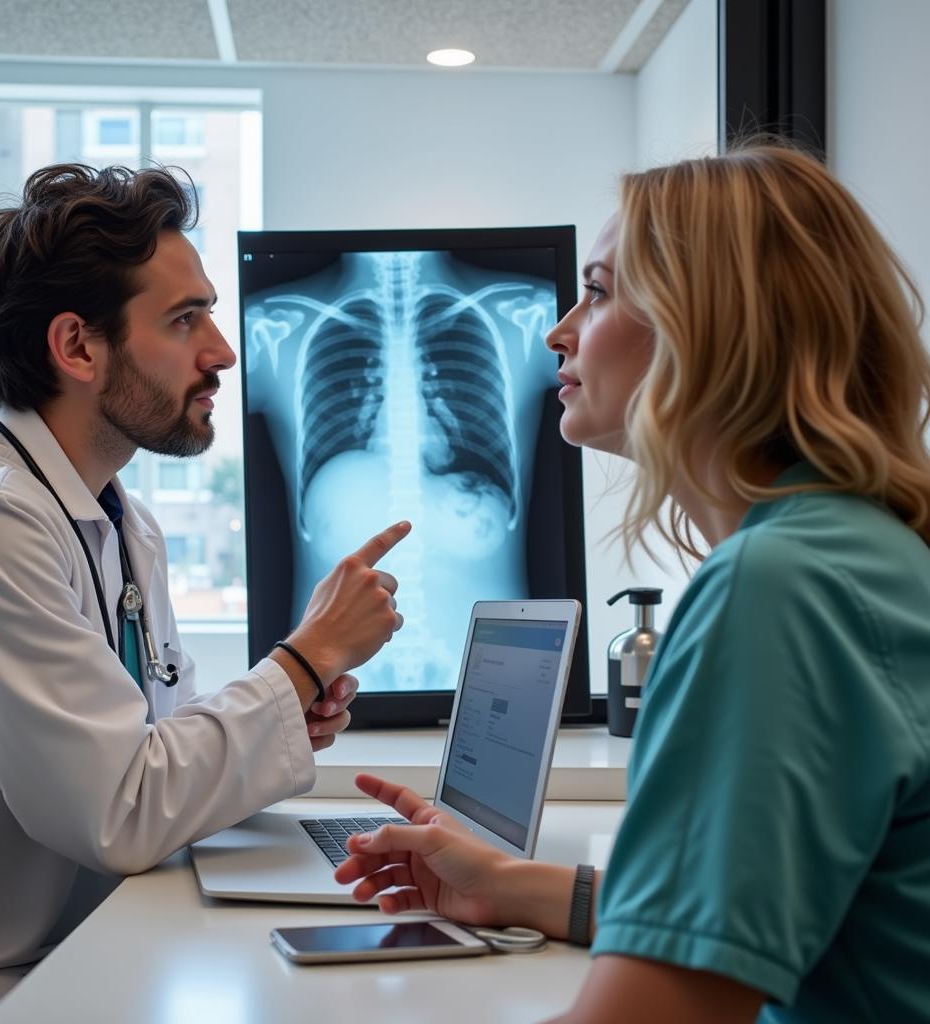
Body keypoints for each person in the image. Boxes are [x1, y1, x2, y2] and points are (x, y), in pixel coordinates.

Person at [334, 144, 930, 1023]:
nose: (557, 330)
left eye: (601, 290)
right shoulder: (863, 550)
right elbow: (779, 906)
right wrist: (513, 886)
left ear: (711, 325)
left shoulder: (779, 587)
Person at [0, 164, 410, 1023]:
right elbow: (118, 811)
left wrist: (285, 702)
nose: (221, 350)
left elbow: (135, 748)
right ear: (78, 348)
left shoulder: (114, 516)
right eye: (185, 320)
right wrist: (303, 660)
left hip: (89, 941)